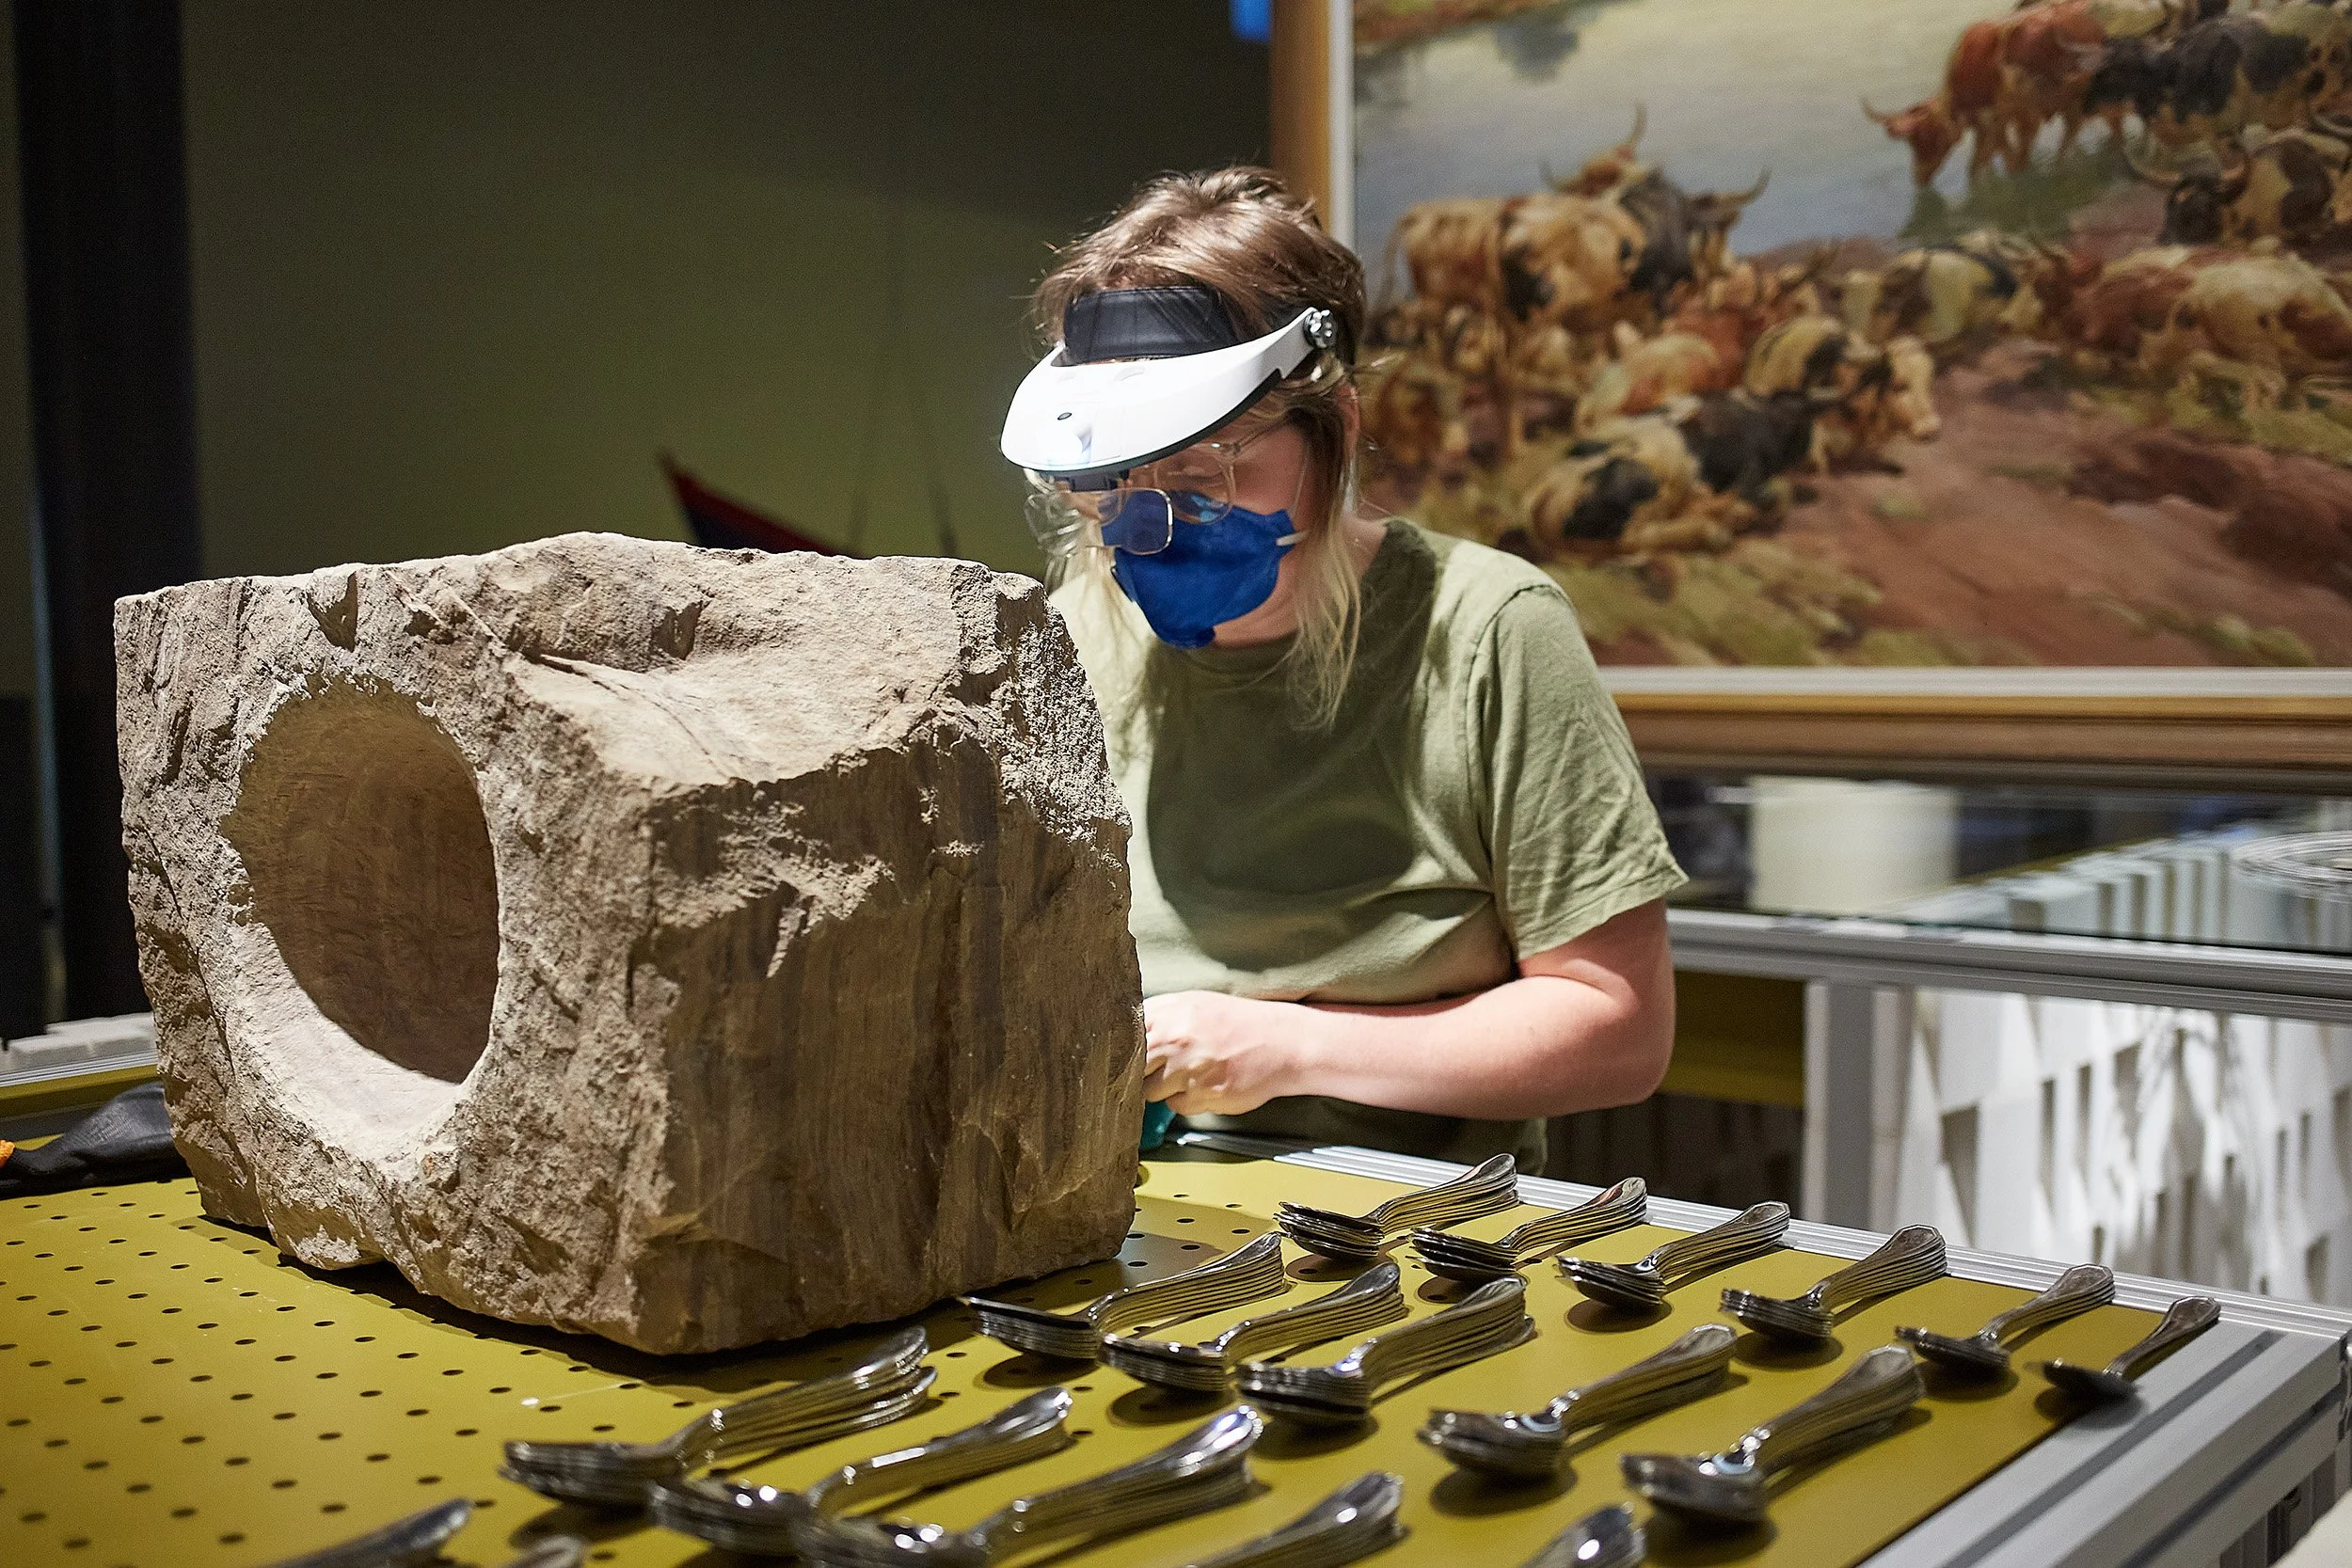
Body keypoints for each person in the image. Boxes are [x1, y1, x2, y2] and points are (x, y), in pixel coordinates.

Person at [998, 167, 1684, 1171]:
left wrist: (1291, 1047)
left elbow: (1617, 1029)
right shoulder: (1068, 638)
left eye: (1205, 467)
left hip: (1402, 1225)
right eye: (1108, 483)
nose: (1146, 518)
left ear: (1340, 427)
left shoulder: (1486, 629)